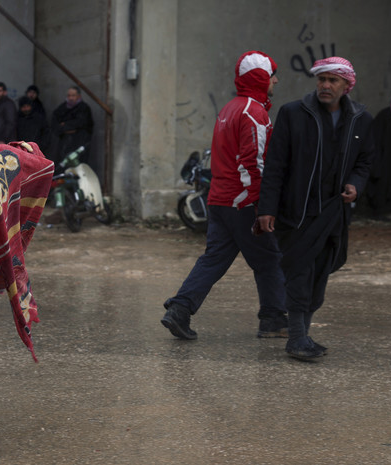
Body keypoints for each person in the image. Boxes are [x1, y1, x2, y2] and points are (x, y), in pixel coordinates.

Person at [160, 51, 287, 341]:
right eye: (272, 76)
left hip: (219, 199)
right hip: (242, 202)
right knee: (269, 260)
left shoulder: (230, 108)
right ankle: (273, 319)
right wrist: (261, 204)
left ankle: (179, 309)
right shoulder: (254, 113)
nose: (276, 81)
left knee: (214, 259)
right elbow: (254, 163)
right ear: (260, 78)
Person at [257, 56, 374, 360]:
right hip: (297, 212)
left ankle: (303, 335)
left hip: (334, 212)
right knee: (299, 271)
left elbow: (365, 162)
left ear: (347, 85)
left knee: (321, 272)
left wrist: (355, 184)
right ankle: (296, 338)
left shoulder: (361, 119)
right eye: (321, 79)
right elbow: (275, 165)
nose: (325, 85)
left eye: (333, 80)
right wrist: (266, 208)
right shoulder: (294, 113)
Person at [50, 86, 93, 164]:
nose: (70, 98)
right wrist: (64, 128)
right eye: (69, 95)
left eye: (73, 95)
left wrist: (65, 124)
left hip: (79, 144)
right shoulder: (62, 108)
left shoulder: (84, 108)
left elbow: (81, 123)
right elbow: (55, 123)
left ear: (79, 96)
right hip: (64, 145)